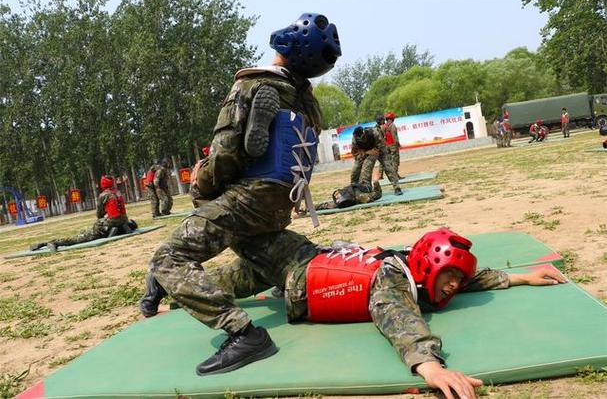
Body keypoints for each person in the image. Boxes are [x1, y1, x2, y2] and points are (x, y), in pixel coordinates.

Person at [139, 12, 342, 375]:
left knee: (168, 257)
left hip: (248, 198)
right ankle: (171, 286)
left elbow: (226, 153)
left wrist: (201, 183)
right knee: (258, 260)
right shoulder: (309, 102)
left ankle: (243, 333)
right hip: (281, 204)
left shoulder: (252, 85)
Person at [142, 227, 566, 397]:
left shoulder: (417, 270)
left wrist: (525, 278)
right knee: (234, 224)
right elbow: (399, 321)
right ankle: (167, 262)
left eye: (456, 278)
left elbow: (471, 278)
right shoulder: (394, 282)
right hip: (291, 263)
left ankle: (163, 278)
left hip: (293, 272)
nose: (454, 286)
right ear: (427, 268)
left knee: (206, 288)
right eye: (448, 277)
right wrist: (429, 367)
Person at [29, 176, 137, 252]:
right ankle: (119, 228)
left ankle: (54, 242)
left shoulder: (104, 195)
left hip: (110, 223)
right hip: (122, 220)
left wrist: (104, 219)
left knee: (80, 237)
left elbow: (99, 214)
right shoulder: (117, 192)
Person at [369, 115, 402, 194]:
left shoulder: (381, 128)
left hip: (380, 152)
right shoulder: (376, 130)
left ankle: (396, 187)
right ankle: (368, 189)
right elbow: (381, 142)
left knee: (388, 168)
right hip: (374, 152)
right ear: (381, 121)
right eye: (383, 120)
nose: (385, 121)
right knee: (367, 170)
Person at [313, 180, 382, 211]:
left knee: (363, 196)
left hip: (350, 196)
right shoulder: (338, 202)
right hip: (350, 196)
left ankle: (375, 191)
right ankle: (375, 191)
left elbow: (324, 205)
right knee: (368, 196)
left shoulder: (338, 202)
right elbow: (324, 205)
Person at [383, 111, 401, 176]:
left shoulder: (384, 126)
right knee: (395, 160)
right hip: (393, 145)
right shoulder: (392, 125)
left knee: (389, 160)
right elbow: (394, 136)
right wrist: (398, 144)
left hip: (387, 146)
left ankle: (393, 175)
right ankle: (395, 175)